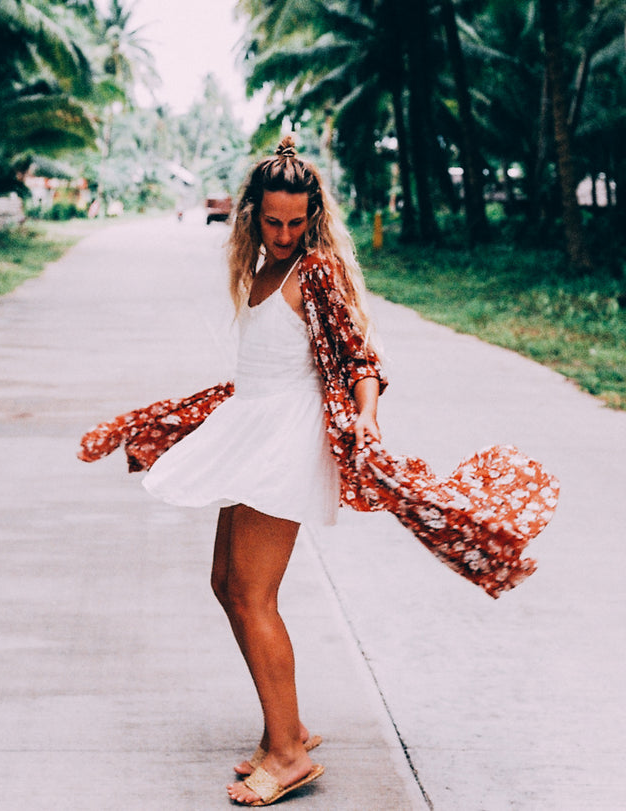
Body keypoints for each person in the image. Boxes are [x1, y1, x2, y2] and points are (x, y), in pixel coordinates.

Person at [79, 136, 559, 806]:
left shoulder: (317, 272)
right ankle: (288, 726)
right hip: (253, 429)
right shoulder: (259, 270)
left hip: (288, 440)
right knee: (225, 583)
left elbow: (361, 358)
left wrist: (366, 417)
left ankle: (289, 754)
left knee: (253, 594)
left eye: (296, 223)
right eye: (272, 222)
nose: (283, 235)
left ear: (314, 218)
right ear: (251, 214)